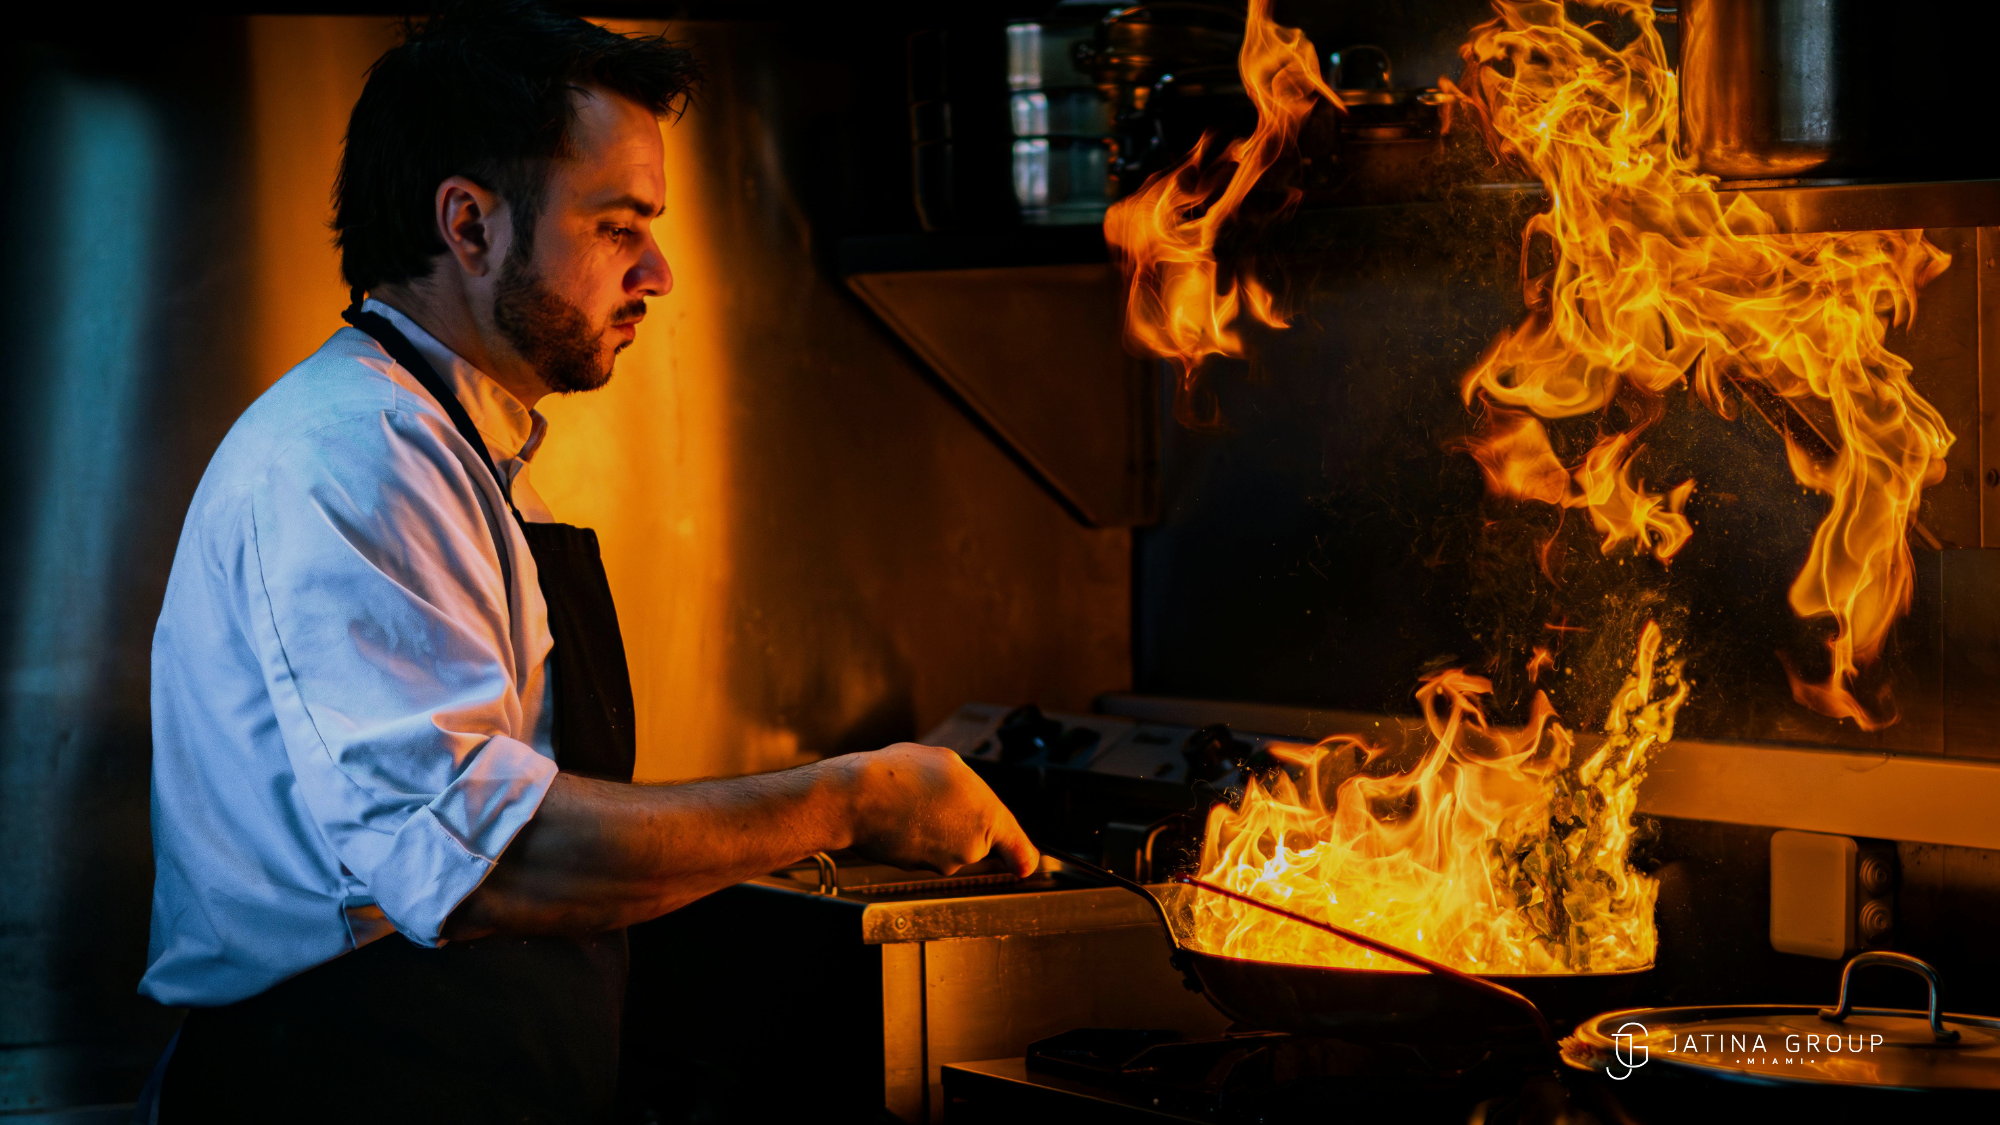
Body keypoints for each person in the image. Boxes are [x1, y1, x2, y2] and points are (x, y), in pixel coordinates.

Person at [138, 4, 1034, 1120]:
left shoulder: (462, 446)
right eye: (617, 226)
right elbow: (482, 856)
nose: (657, 271)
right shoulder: (353, 454)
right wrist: (852, 799)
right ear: (468, 226)